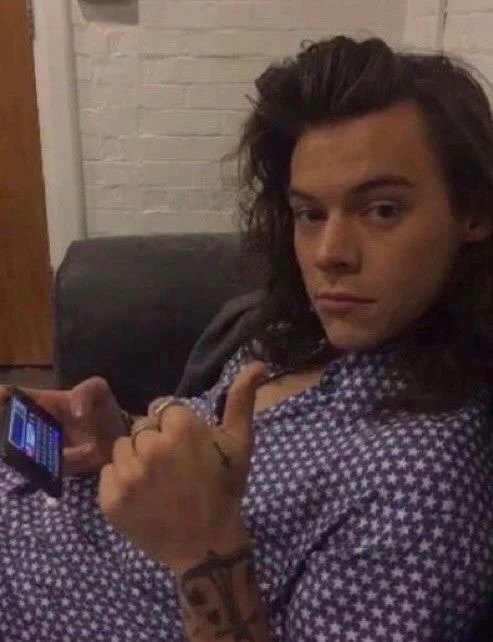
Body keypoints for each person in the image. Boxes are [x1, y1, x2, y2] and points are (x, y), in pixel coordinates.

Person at [1, 34, 493, 642]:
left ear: (473, 211)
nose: (330, 253)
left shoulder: (421, 484)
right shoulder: (296, 336)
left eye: (382, 210)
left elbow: (206, 527)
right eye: (310, 213)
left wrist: (204, 548)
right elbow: (212, 465)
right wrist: (121, 441)